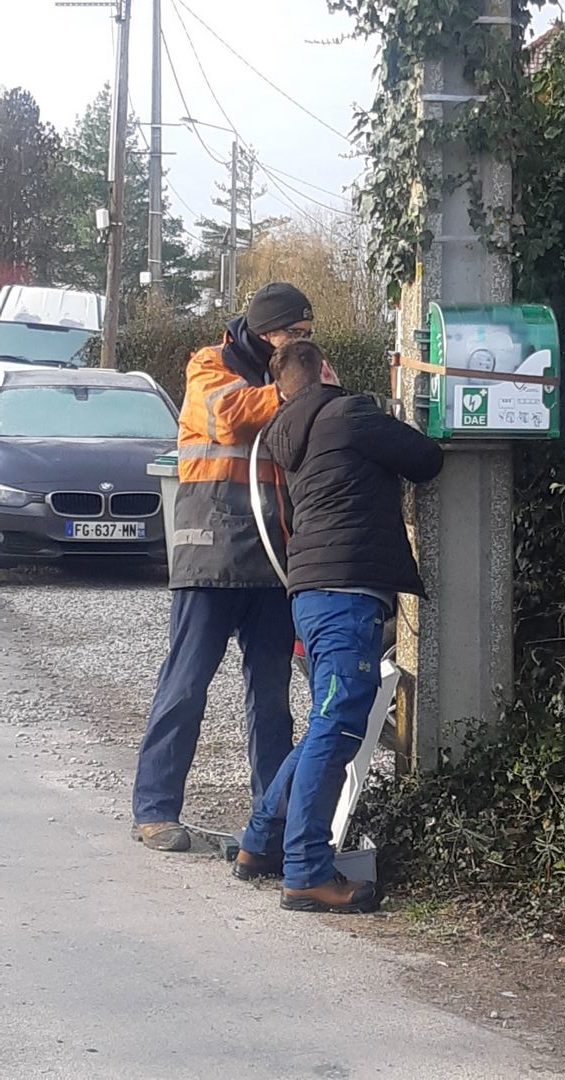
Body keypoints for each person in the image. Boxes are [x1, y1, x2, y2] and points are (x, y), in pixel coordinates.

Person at [232, 340, 444, 914]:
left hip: (308, 589)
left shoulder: (281, 432)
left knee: (327, 722)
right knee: (337, 729)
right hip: (349, 588)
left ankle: (261, 842)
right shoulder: (350, 413)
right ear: (326, 370)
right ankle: (306, 871)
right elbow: (426, 458)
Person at [131, 283, 315, 853]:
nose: (305, 344)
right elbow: (230, 417)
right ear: (267, 333)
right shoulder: (208, 368)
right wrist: (293, 394)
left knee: (272, 698)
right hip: (209, 553)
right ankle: (155, 811)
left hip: (271, 560)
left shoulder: (291, 372)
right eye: (296, 334)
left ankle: (273, 824)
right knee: (185, 686)